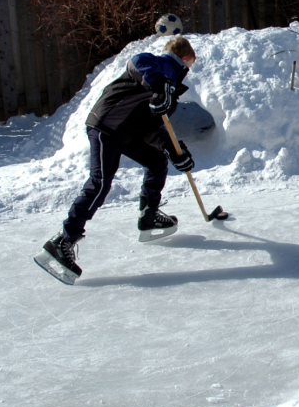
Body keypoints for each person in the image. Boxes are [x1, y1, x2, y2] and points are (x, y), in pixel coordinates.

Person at [39, 37, 200, 280]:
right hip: (107, 127)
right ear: (186, 60)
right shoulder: (155, 64)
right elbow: (137, 62)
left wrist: (174, 148)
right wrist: (160, 85)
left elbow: (152, 128)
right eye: (190, 66)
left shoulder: (170, 91)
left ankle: (148, 217)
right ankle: (63, 241)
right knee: (101, 182)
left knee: (157, 161)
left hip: (126, 133)